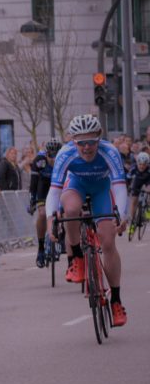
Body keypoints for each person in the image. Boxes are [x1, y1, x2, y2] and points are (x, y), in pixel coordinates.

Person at [45, 114, 128, 326]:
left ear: (99, 138)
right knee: (70, 209)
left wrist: (122, 214)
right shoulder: (66, 154)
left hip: (102, 189)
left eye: (91, 141)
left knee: (108, 242)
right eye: (81, 142)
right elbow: (54, 191)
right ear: (73, 141)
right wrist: (49, 219)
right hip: (76, 186)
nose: (87, 147)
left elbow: (119, 186)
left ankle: (116, 300)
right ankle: (77, 258)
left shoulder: (110, 152)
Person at [29, 139, 62, 268]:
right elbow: (33, 184)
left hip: (58, 187)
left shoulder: (64, 159)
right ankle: (41, 248)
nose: (53, 159)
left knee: (64, 211)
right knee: (42, 214)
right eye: (51, 156)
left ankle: (62, 237)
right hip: (43, 186)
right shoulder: (39, 161)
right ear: (46, 154)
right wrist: (32, 200)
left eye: (56, 156)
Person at [128, 152, 150, 236]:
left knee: (148, 190)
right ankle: (133, 220)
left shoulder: (149, 169)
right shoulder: (133, 168)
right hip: (137, 181)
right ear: (137, 163)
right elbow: (128, 178)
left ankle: (148, 209)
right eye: (140, 164)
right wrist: (129, 187)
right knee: (134, 200)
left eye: (144, 165)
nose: (142, 166)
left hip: (148, 180)